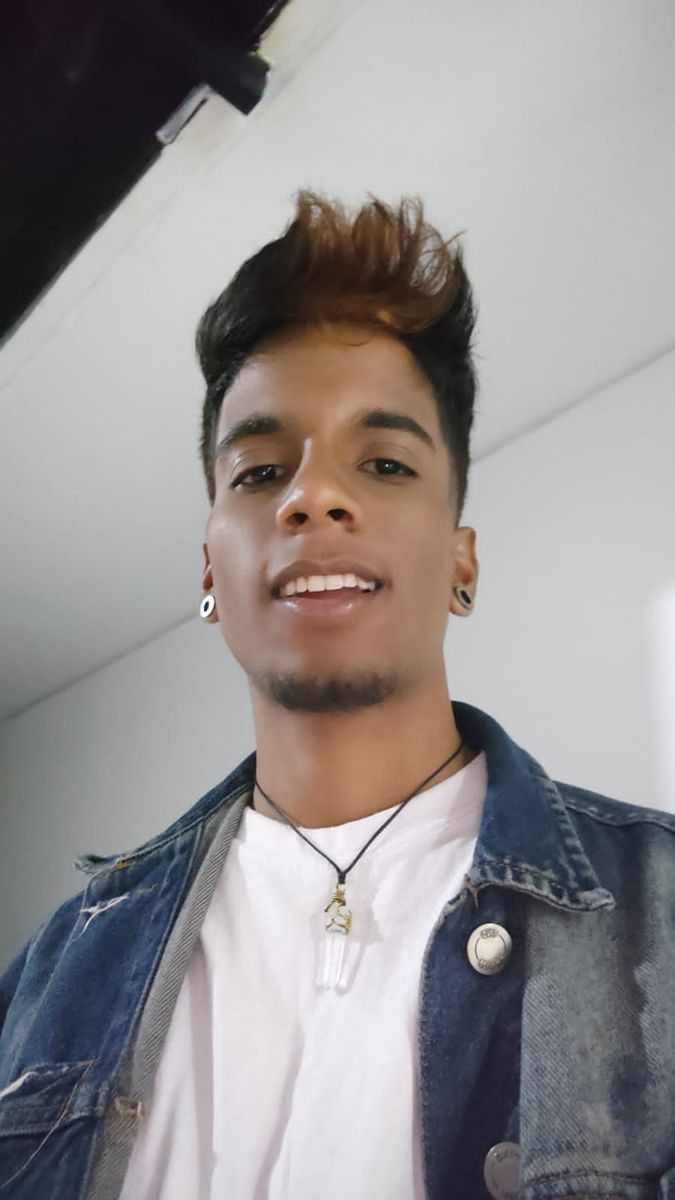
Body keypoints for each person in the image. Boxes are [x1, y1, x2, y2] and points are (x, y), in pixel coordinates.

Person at [0, 192, 673, 1200]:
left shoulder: (661, 911)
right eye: (260, 472)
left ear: (461, 563)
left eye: (385, 462)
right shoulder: (50, 972)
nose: (313, 495)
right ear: (208, 573)